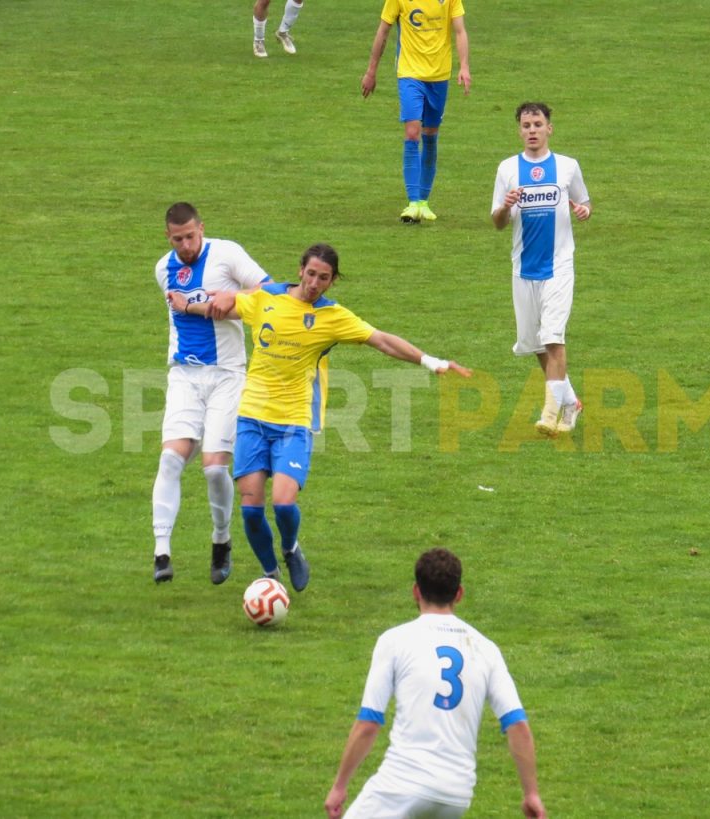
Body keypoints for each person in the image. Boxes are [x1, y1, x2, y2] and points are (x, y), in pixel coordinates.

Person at [168, 244, 471, 592]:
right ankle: (270, 575)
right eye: (310, 274)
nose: (314, 283)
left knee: (283, 503)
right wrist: (189, 305)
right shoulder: (267, 298)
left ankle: (290, 548)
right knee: (251, 509)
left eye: (323, 278)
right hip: (251, 417)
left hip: (293, 422)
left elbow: (382, 341)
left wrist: (433, 363)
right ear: (300, 271)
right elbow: (225, 308)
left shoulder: (332, 317)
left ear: (332, 281)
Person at [324, 548, 547, 819]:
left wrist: (339, 786)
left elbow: (369, 723)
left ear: (416, 591)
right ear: (459, 594)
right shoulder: (486, 649)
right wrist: (531, 794)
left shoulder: (395, 641)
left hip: (403, 784)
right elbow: (518, 726)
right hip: (456, 794)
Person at [152, 202, 271, 584]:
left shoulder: (228, 254)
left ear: (202, 228)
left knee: (215, 467)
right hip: (184, 375)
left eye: (190, 236)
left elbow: (270, 292)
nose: (185, 245)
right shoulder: (162, 269)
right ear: (167, 237)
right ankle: (161, 553)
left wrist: (232, 300)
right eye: (177, 239)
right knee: (170, 461)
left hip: (227, 375)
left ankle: (221, 540)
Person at [491, 102, 592, 437]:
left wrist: (583, 212)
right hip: (523, 269)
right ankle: (570, 401)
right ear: (519, 130)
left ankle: (553, 411)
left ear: (550, 128)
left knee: (552, 337)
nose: (531, 130)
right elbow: (497, 223)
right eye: (525, 125)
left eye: (537, 124)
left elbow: (584, 202)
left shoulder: (567, 166)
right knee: (535, 344)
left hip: (559, 267)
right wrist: (505, 206)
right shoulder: (507, 169)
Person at [360, 0, 470, 224]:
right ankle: (412, 203)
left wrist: (465, 66)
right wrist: (371, 71)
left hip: (439, 75)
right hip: (409, 73)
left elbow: (459, 30)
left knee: (430, 136)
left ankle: (423, 202)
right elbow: (383, 31)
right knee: (412, 133)